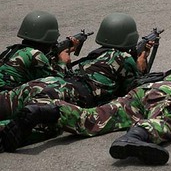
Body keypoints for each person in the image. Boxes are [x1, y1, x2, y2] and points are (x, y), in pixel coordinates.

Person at [0, 19, 171, 165]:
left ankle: (51, 112)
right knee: (166, 123)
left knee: (92, 119)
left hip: (143, 92)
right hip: (170, 93)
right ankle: (135, 137)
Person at [0, 13, 150, 121]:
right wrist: (63, 61)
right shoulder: (35, 55)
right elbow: (56, 78)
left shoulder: (16, 50)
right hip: (55, 92)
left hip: (17, 93)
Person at [0, 11, 76, 91]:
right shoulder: (35, 54)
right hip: (5, 99)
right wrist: (62, 61)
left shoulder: (14, 50)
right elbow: (57, 81)